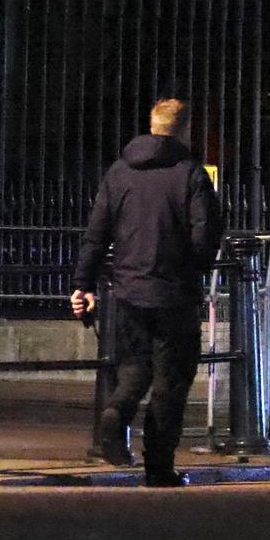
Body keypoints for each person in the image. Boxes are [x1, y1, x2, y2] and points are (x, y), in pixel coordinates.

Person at [71, 99, 223, 487]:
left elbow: (96, 233)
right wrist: (194, 268)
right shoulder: (190, 174)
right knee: (171, 382)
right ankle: (158, 466)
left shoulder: (119, 172)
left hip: (127, 291)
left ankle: (117, 412)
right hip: (174, 294)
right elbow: (205, 235)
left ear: (152, 127)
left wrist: (83, 285)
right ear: (185, 130)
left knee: (135, 367)